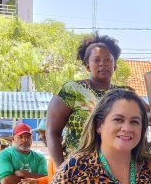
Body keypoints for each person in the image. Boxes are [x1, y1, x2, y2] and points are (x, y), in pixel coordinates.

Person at [46, 34, 123, 167]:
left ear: (114, 65)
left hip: (116, 169)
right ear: (87, 66)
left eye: (107, 60)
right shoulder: (72, 90)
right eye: (96, 60)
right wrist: (60, 170)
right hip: (78, 169)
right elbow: (52, 131)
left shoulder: (124, 94)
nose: (102, 64)